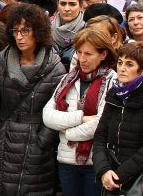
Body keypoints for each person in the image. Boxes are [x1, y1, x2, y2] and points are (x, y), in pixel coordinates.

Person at [0, 3, 66, 196]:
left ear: (38, 31)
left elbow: (60, 107)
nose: (19, 37)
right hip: (5, 139)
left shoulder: (55, 68)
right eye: (16, 31)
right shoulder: (2, 61)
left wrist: (43, 139)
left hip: (37, 146)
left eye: (25, 31)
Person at [42, 27, 117, 196]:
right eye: (79, 52)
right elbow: (47, 115)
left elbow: (100, 123)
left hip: (95, 161)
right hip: (66, 160)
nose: (82, 59)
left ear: (103, 55)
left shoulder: (112, 80)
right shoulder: (68, 78)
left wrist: (66, 132)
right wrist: (81, 117)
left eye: (88, 54)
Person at [93, 42, 143, 195]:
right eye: (120, 62)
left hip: (140, 180)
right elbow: (100, 137)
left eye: (129, 64)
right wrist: (104, 170)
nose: (122, 68)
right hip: (111, 175)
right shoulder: (115, 94)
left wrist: (120, 175)